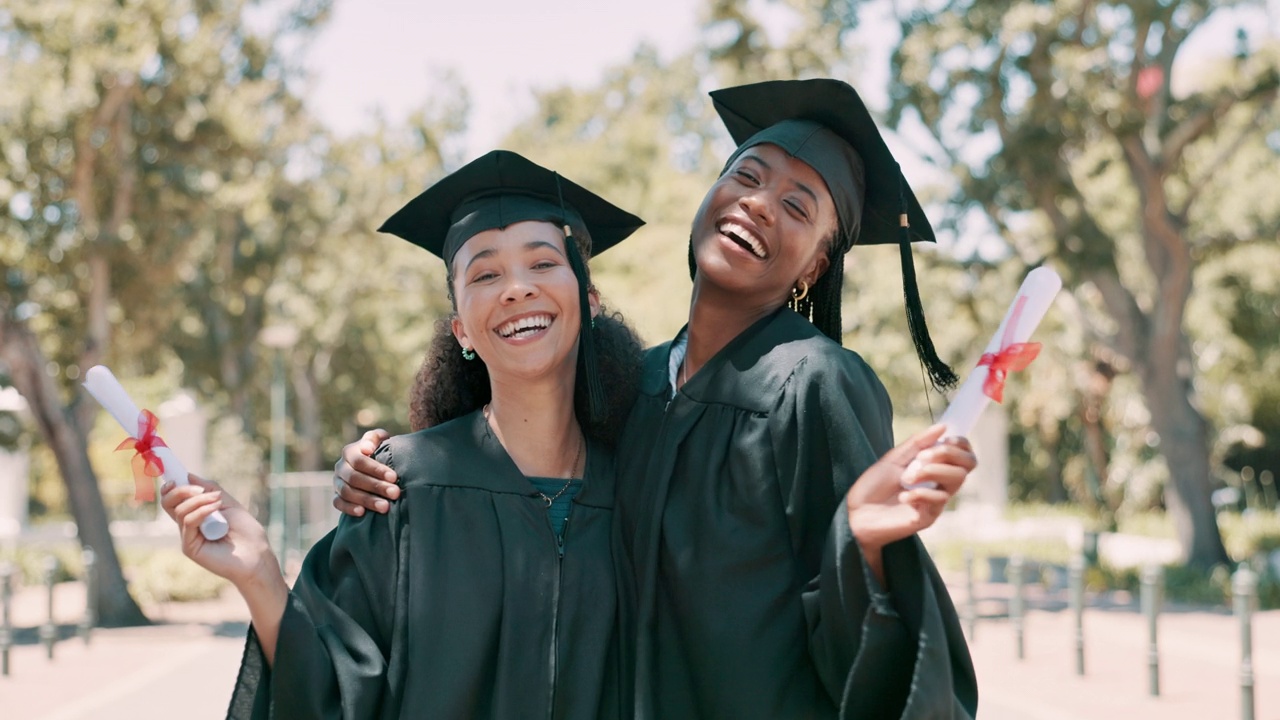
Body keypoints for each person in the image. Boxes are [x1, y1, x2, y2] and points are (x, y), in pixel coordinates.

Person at [336, 79, 979, 719]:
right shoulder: (634, 387)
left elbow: (869, 634)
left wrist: (860, 548)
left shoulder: (812, 380)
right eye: (746, 176)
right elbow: (525, 445)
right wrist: (379, 469)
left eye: (797, 207)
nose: (759, 204)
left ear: (815, 266)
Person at [162, 149, 646, 719]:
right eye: (485, 274)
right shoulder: (402, 489)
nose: (516, 288)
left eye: (542, 264)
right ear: (462, 330)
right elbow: (332, 694)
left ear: (588, 303)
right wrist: (261, 573)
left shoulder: (645, 486)